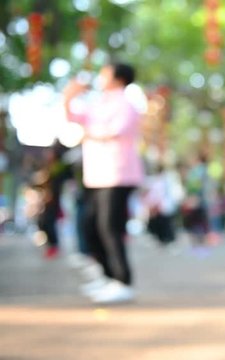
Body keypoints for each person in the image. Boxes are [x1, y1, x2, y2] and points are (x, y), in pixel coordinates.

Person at [63, 62, 144, 304]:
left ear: (118, 78)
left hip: (118, 175)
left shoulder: (126, 104)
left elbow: (114, 131)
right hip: (97, 175)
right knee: (90, 226)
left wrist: (87, 134)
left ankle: (123, 281)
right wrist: (69, 95)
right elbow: (73, 118)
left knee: (110, 227)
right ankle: (109, 276)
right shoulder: (98, 103)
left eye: (105, 73)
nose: (100, 77)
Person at [32, 143, 72, 259]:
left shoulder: (60, 168)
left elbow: (63, 184)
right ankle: (51, 244)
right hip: (46, 200)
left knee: (48, 222)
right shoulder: (46, 167)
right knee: (42, 222)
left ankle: (54, 245)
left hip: (55, 199)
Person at [143, 164, 183, 246]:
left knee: (166, 223)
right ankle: (163, 239)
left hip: (164, 205)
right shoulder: (159, 180)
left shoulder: (164, 180)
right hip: (161, 205)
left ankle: (167, 239)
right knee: (162, 222)